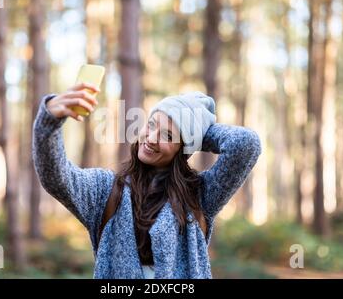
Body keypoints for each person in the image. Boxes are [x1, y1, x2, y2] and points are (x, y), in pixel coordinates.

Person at [32, 83, 261, 279]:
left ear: (184, 149)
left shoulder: (200, 195)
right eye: (151, 125)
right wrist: (49, 121)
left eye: (168, 136)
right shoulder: (106, 190)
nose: (151, 139)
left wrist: (198, 132)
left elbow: (246, 144)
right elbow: (56, 177)